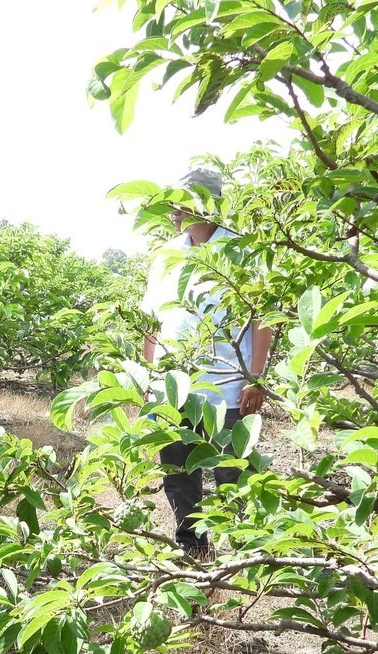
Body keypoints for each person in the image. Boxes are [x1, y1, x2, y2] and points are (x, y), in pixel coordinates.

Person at [141, 166, 271, 556]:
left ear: (209, 204)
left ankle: (246, 547)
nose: (176, 210)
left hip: (227, 385)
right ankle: (191, 544)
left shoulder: (242, 251)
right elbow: (150, 322)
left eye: (185, 202)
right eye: (174, 203)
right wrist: (149, 379)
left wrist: (256, 377)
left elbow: (262, 318)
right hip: (173, 384)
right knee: (178, 469)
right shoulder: (165, 253)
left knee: (233, 469)